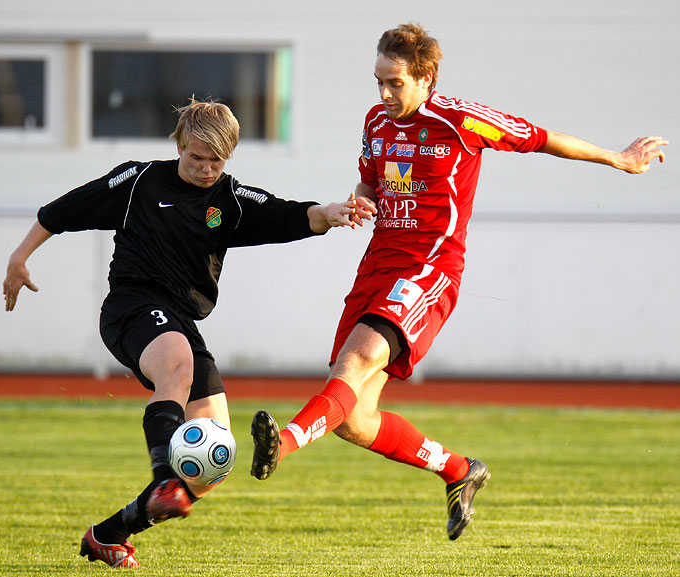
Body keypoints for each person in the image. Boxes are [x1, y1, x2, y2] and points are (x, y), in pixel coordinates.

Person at [249, 23, 668, 541]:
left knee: (356, 361)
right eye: (378, 81)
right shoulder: (376, 121)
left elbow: (542, 139)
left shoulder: (462, 120)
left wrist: (618, 158)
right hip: (377, 263)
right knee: (355, 419)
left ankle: (281, 444)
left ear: (425, 78)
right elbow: (369, 177)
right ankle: (459, 471)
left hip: (430, 267)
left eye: (395, 83)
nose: (384, 93)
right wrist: (361, 199)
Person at [2, 97, 374, 568]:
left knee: (214, 462)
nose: (204, 168)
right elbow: (61, 211)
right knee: (176, 367)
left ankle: (109, 534)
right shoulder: (137, 181)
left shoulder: (230, 202)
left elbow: (293, 214)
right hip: (131, 308)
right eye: (196, 157)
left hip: (180, 322)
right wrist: (20, 256)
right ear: (179, 145)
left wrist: (333, 211)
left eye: (215, 161)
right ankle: (162, 477)